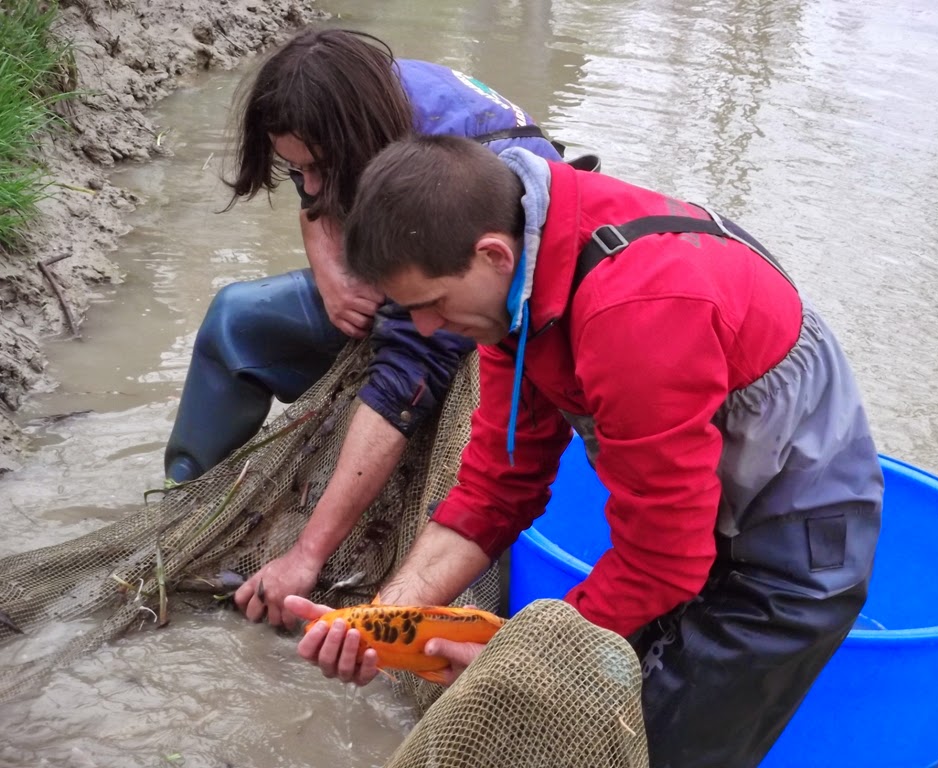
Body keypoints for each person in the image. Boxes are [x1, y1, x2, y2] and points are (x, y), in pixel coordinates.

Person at [286, 134, 884, 768]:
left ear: (492, 254)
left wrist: (522, 663)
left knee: (647, 749)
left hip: (792, 553)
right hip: (699, 514)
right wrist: (384, 621)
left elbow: (665, 558)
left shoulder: (638, 311)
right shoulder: (514, 284)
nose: (428, 330)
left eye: (431, 305)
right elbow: (496, 487)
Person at [162, 28, 567, 627]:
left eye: (321, 167)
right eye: (296, 167)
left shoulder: (452, 179)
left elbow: (408, 375)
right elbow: (315, 194)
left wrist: (306, 555)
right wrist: (332, 278)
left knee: (417, 395)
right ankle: (186, 504)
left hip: (492, 323)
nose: (312, 184)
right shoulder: (349, 95)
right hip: (406, 273)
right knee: (237, 320)